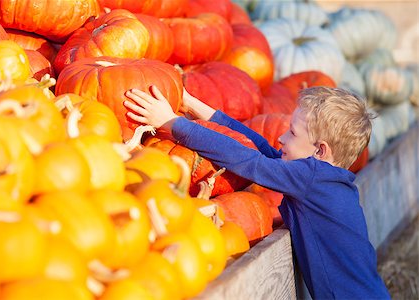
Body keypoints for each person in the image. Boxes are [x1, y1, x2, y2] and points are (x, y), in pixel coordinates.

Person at [124, 85, 390, 299]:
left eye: (292, 133)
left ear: (320, 150)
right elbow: (257, 145)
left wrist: (174, 124)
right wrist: (194, 105)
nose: (281, 138)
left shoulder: (311, 179)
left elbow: (246, 160)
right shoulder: (322, 179)